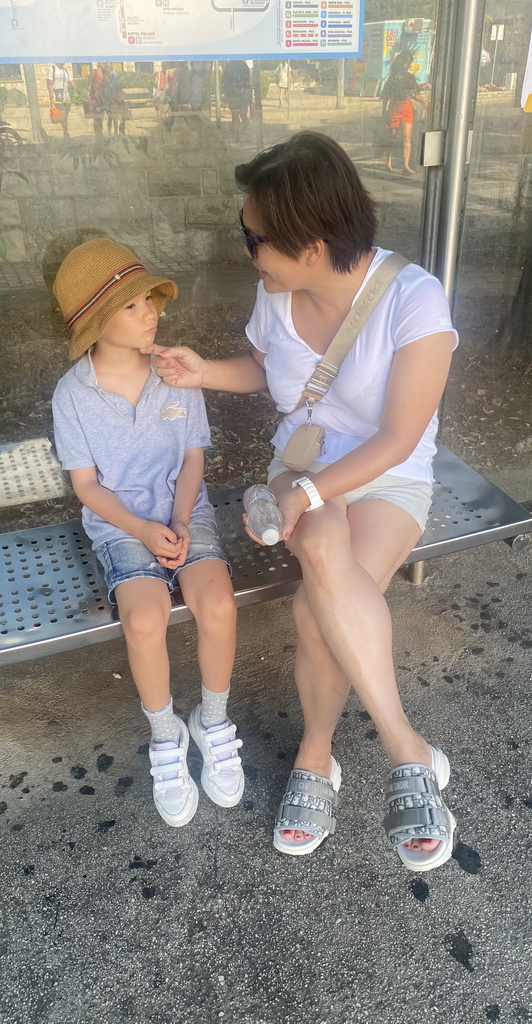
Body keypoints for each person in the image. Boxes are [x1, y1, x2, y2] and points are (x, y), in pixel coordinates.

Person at [152, 132, 458, 871]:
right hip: (304, 463)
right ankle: (405, 753)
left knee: (310, 607)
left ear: (311, 248)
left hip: (386, 474)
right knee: (321, 549)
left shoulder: (415, 301)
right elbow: (266, 377)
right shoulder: (275, 295)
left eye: (253, 238)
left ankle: (320, 758)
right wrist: (200, 374)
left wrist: (318, 492)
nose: (247, 251)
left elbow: (395, 438)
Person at [50, 238, 244, 827]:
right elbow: (87, 487)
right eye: (132, 305)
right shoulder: (72, 395)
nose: (151, 313)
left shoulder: (175, 374)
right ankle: (165, 737)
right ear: (95, 321)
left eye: (150, 300)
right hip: (119, 523)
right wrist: (143, 528)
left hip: (186, 512)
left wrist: (182, 522)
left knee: (216, 603)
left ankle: (212, 721)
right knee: (142, 616)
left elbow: (191, 462)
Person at [382, 51, 428, 175]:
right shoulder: (392, 79)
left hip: (407, 107)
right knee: (392, 137)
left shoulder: (409, 77)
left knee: (406, 137)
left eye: (409, 63)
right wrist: (384, 113)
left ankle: (405, 165)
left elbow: (414, 94)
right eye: (406, 63)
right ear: (400, 63)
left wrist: (424, 101)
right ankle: (388, 162)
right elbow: (385, 97)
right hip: (394, 108)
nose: (407, 65)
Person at [222, 60, 251, 136]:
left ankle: (236, 133)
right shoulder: (244, 66)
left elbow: (224, 80)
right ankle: (241, 130)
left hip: (232, 93)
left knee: (235, 114)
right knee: (243, 114)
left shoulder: (229, 67)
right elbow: (248, 80)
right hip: (243, 93)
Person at [47, 62, 72, 138]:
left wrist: (78, 89)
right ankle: (66, 132)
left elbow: (72, 81)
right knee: (62, 115)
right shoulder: (53, 69)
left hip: (66, 97)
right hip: (58, 96)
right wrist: (51, 98)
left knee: (66, 116)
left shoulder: (66, 71)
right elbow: (50, 84)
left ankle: (65, 131)